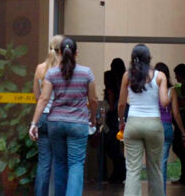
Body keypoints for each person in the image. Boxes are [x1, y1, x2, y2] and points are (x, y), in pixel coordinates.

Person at [29, 37, 98, 196]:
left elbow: (43, 99)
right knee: (75, 164)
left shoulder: (52, 73)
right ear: (77, 53)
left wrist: (34, 123)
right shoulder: (86, 72)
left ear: (60, 52)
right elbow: (93, 99)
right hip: (78, 123)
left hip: (55, 123)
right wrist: (92, 118)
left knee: (59, 163)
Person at [118, 44, 170, 196]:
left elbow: (121, 103)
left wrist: (121, 120)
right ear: (149, 58)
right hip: (153, 124)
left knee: (133, 170)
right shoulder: (160, 76)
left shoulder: (127, 76)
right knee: (155, 169)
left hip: (133, 123)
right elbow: (164, 101)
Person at [32, 35, 64, 196]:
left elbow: (37, 96)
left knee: (44, 163)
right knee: (60, 162)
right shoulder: (65, 69)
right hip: (59, 118)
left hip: (43, 117)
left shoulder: (40, 69)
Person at [154, 62, 185, 195]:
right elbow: (176, 114)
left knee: (153, 162)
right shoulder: (171, 91)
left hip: (152, 126)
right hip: (166, 127)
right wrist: (183, 131)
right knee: (162, 161)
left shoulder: (151, 89)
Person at [103, 58, 126, 183]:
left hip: (112, 116)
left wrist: (110, 106)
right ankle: (119, 172)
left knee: (110, 145)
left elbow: (110, 93)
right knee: (114, 145)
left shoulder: (110, 77)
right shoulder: (123, 79)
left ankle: (120, 171)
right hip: (119, 116)